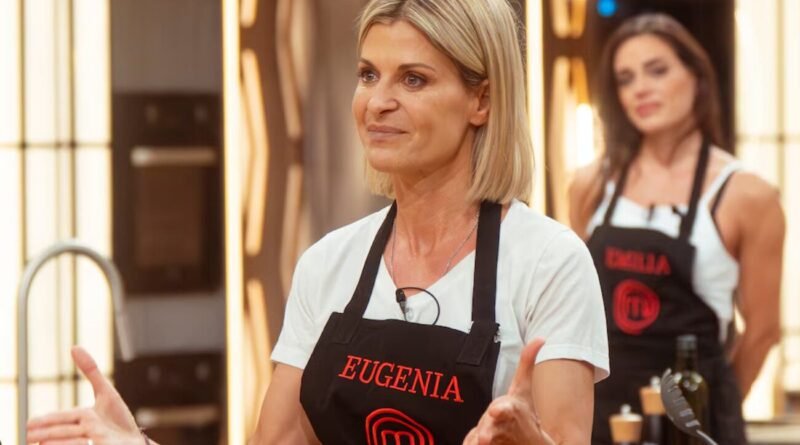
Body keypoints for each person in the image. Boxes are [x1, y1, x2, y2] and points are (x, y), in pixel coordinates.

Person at [26, 1, 609, 444]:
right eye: (368, 74)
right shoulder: (328, 263)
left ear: (481, 100)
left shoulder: (549, 263)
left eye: (413, 79)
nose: (376, 102)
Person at [569, 13, 785, 444]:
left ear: (697, 78)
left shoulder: (746, 195)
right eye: (626, 78)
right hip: (603, 414)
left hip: (696, 419)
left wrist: (710, 413)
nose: (640, 89)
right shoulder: (590, 185)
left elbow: (762, 332)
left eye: (657, 70)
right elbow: (576, 311)